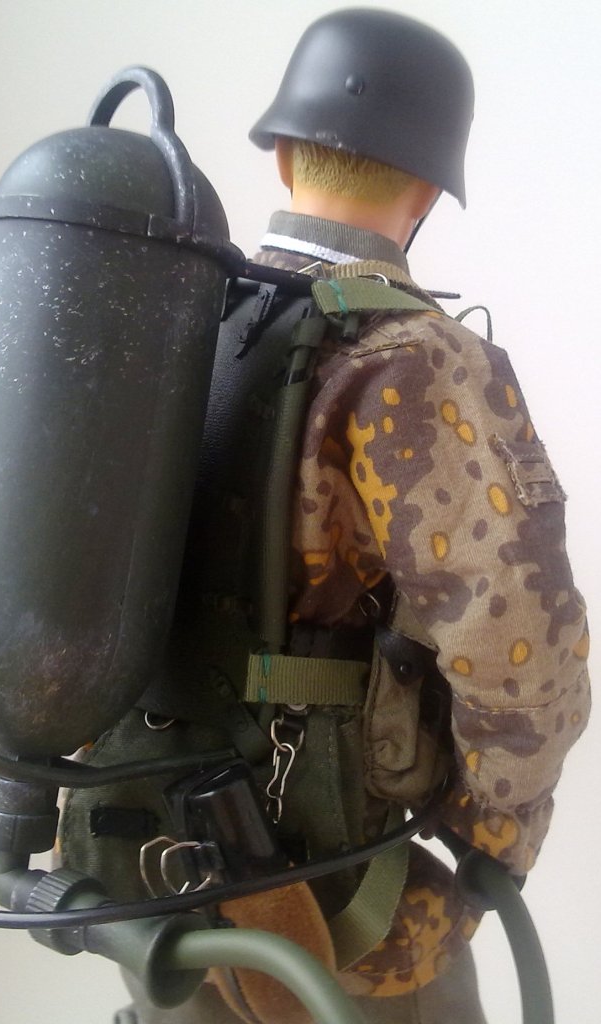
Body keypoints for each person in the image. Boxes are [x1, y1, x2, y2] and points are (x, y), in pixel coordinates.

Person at [61, 10, 590, 1023]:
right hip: (338, 897)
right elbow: (523, 660)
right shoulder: (414, 363)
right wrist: (488, 849)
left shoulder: (181, 317)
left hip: (141, 859)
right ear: (427, 189)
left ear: (283, 155)